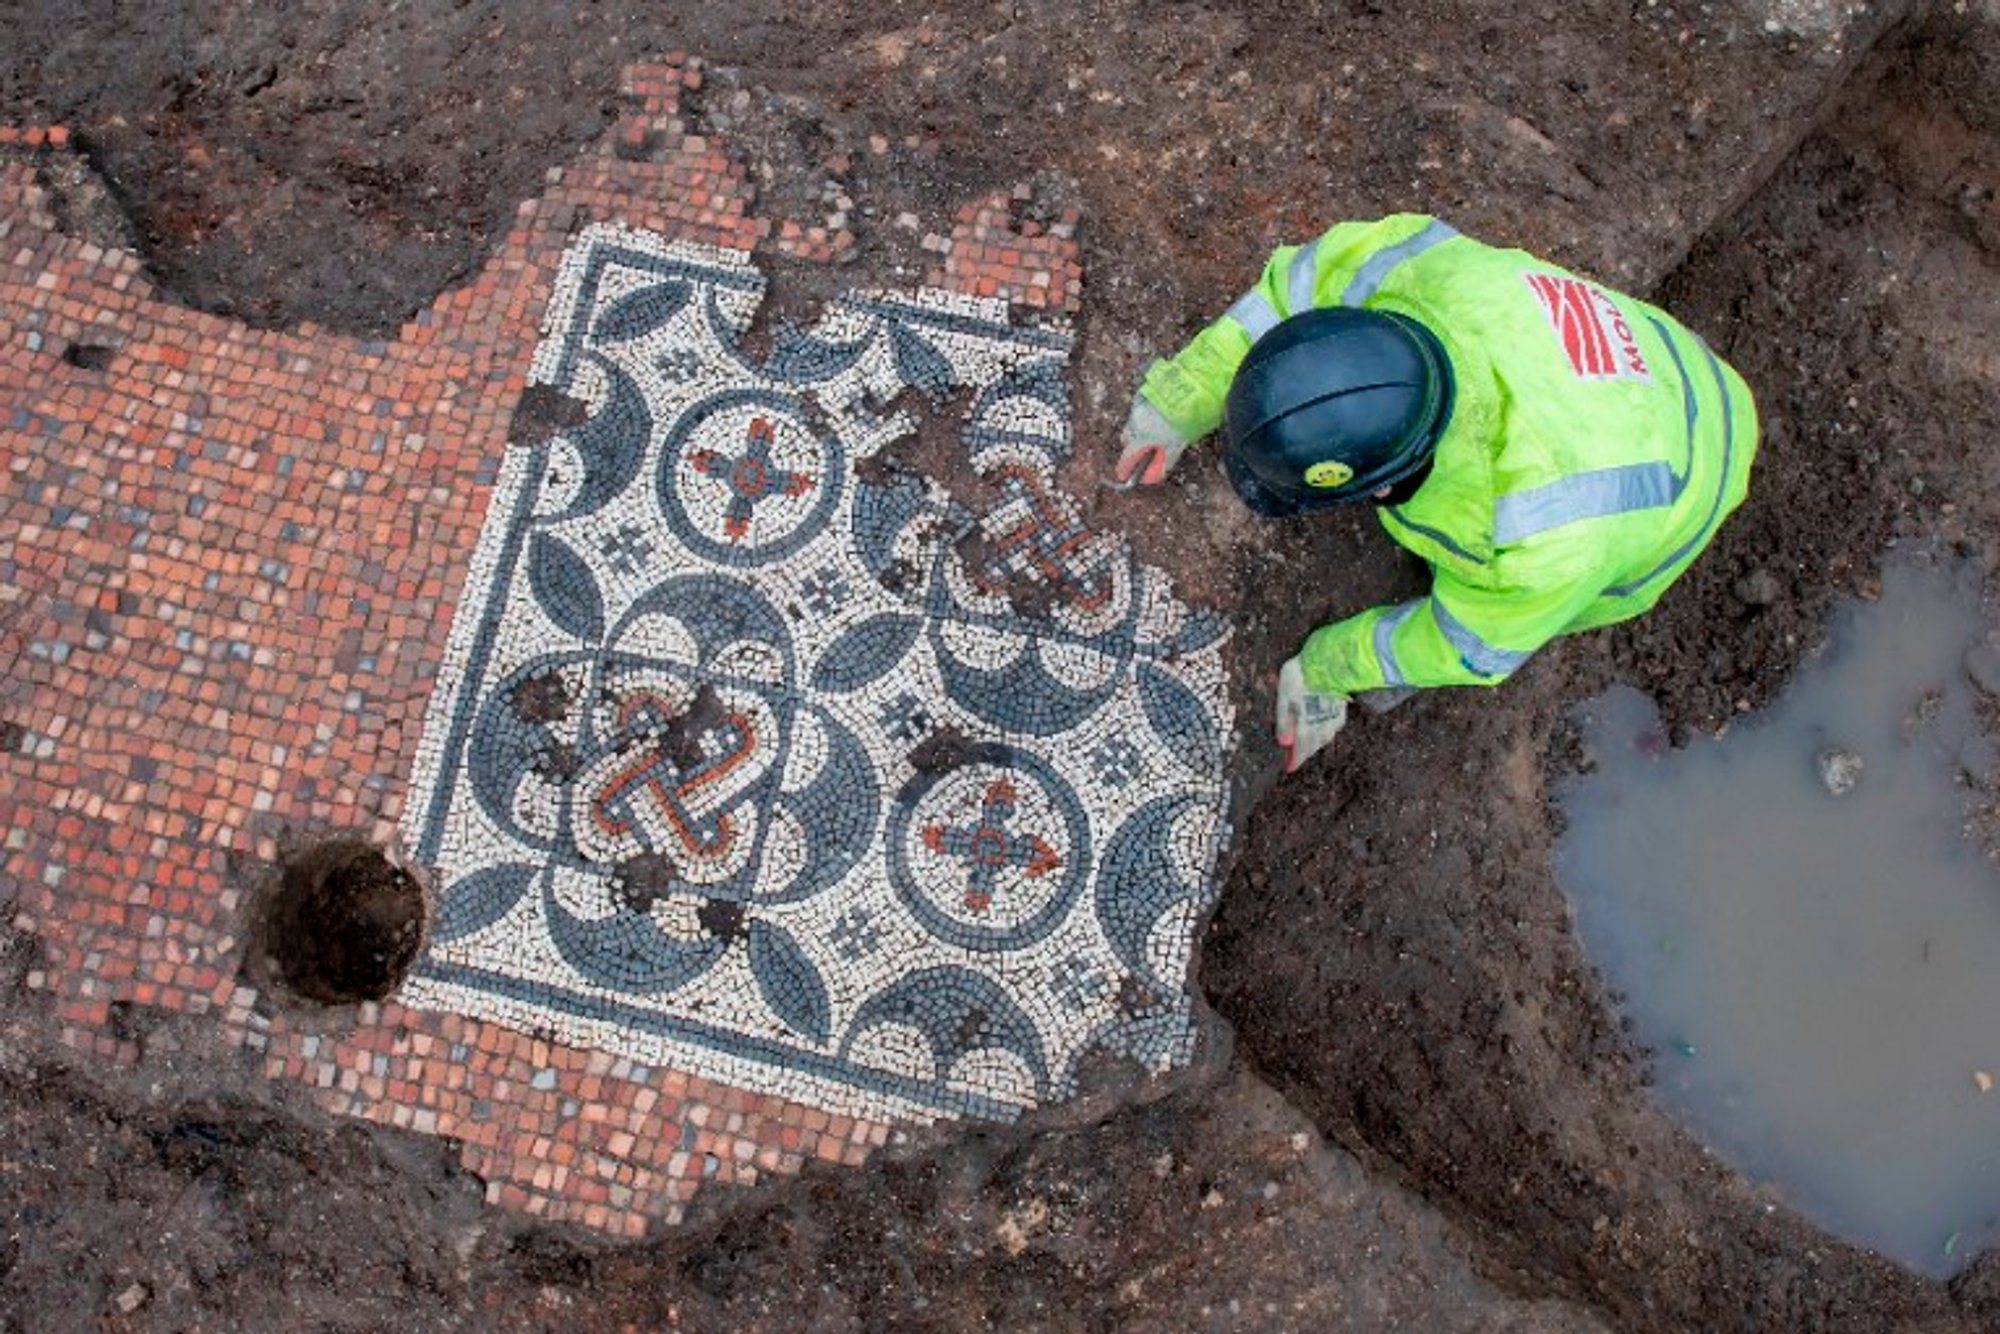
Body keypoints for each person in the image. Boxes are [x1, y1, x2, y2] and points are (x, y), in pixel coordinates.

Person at [1116, 214, 1758, 773]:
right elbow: (1289, 292)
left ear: (1382, 485)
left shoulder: (1537, 541)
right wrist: (1181, 400)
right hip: (1652, 361)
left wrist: (1325, 671)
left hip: (1695, 471)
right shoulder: (1401, 265)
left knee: (1532, 614)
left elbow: (1468, 647)